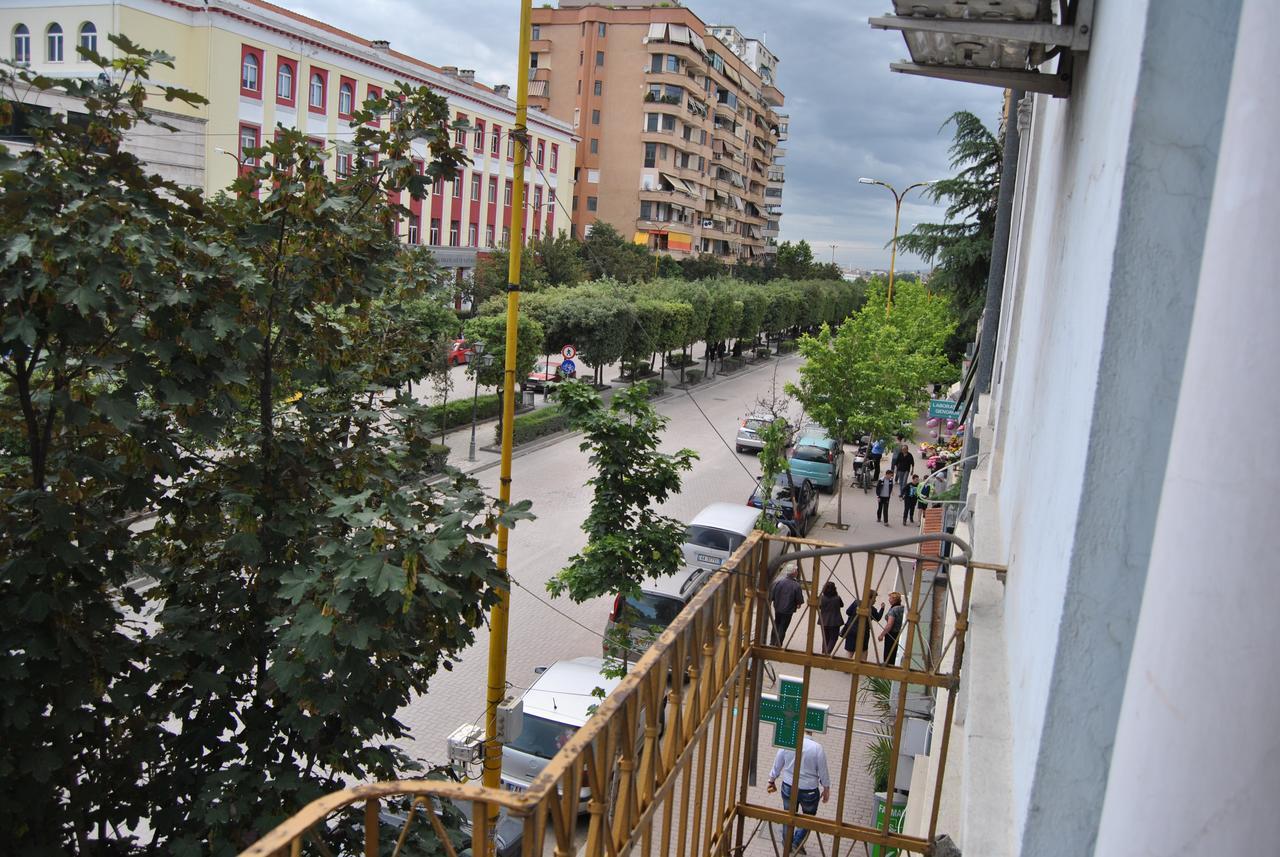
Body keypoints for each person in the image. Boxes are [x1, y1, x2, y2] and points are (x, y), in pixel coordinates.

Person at [767, 732, 830, 852]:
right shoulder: (817, 748)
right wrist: (826, 788)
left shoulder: (788, 742)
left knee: (788, 815)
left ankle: (787, 844)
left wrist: (771, 780)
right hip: (809, 790)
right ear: (812, 731)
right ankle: (797, 841)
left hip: (788, 786)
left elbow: (778, 763)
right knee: (808, 817)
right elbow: (823, 771)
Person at [841, 591, 882, 659]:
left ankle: (846, 667)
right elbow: (877, 618)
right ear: (869, 598)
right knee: (863, 652)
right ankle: (862, 668)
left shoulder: (856, 603)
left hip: (851, 630)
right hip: (863, 632)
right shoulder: (871, 609)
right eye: (874, 598)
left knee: (850, 652)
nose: (875, 601)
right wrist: (882, 609)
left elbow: (848, 612)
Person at [770, 566, 805, 647]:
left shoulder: (778, 582)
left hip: (777, 607)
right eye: (796, 570)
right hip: (788, 610)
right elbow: (799, 598)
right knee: (783, 627)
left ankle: (772, 642)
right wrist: (798, 604)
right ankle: (778, 644)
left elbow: (772, 594)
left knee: (776, 624)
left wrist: (772, 601)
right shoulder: (796, 585)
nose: (797, 572)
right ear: (793, 573)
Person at [879, 591, 905, 666]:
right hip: (899, 634)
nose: (889, 600)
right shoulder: (903, 608)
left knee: (889, 652)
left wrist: (882, 635)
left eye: (890, 598)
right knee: (895, 652)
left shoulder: (893, 610)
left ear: (894, 599)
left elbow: (889, 625)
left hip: (891, 634)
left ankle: (887, 667)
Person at [818, 581, 844, 655]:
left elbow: (819, 606)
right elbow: (842, 605)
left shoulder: (822, 598)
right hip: (835, 621)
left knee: (825, 638)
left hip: (824, 620)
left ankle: (823, 652)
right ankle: (827, 653)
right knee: (833, 638)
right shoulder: (837, 598)